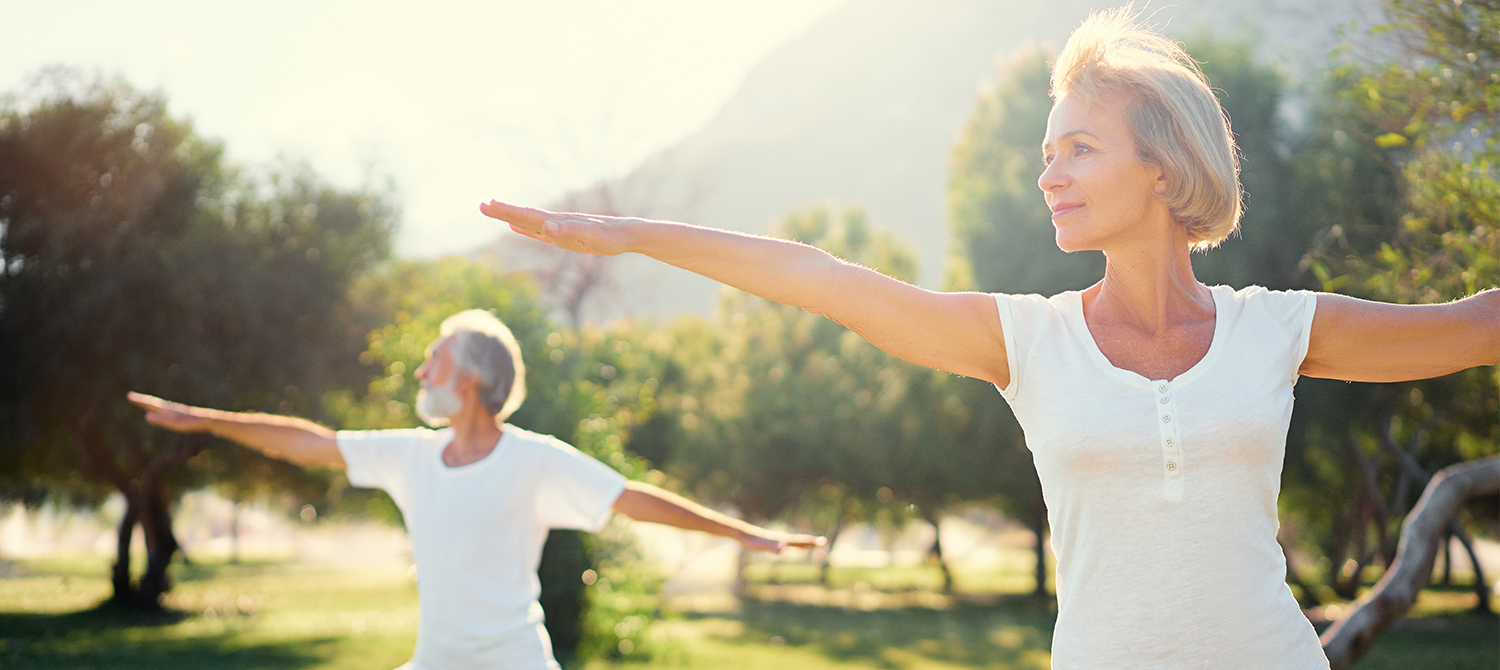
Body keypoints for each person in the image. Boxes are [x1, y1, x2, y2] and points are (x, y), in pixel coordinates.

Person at [477, 8, 1499, 669]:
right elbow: (819, 278)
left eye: (1079, 149)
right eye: (1045, 152)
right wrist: (626, 234)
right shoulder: (1026, 341)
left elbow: (1474, 326)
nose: (1048, 173)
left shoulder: (1274, 328)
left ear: (1162, 166)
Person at [129, 309, 821, 670]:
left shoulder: (534, 461)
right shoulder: (410, 456)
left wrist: (743, 533)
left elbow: (632, 498)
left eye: (436, 358)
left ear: (469, 381)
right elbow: (311, 443)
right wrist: (208, 422)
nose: (422, 369)